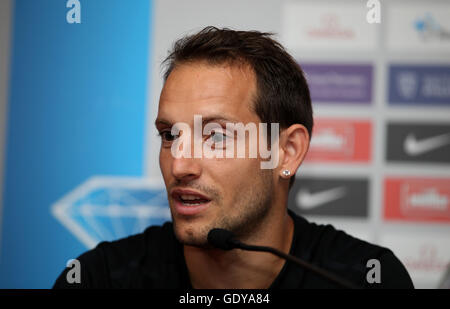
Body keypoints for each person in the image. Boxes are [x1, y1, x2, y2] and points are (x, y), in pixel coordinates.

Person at [53, 26, 413, 289]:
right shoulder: (99, 279)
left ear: (286, 152)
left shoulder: (363, 278)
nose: (180, 165)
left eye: (217, 136)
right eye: (169, 135)